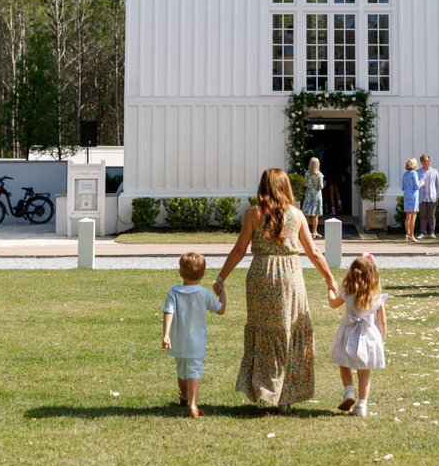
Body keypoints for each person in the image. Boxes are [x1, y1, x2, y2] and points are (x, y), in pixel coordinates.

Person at [212, 168, 337, 409]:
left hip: (261, 274)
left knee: (264, 331)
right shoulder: (297, 215)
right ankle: (285, 395)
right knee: (289, 330)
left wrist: (221, 277)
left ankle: (264, 390)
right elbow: (313, 252)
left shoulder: (253, 214)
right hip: (290, 275)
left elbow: (239, 250)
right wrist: (330, 279)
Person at [162, 251, 226, 418]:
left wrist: (166, 335)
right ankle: (193, 405)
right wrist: (222, 293)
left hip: (178, 341)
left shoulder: (174, 291)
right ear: (203, 274)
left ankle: (184, 396)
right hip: (196, 342)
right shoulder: (203, 293)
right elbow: (220, 309)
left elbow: (168, 312)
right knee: (194, 371)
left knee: (181, 371)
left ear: (180, 272)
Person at [328, 253, 387, 418]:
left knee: (343, 362)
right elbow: (382, 322)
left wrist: (330, 290)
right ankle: (362, 405)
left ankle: (348, 391)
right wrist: (381, 340)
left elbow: (333, 304)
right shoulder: (376, 297)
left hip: (348, 333)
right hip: (369, 337)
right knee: (364, 372)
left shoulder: (347, 292)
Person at [416, 154, 439, 240]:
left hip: (432, 197)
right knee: (423, 216)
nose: (426, 163)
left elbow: (438, 184)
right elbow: (416, 185)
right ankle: (423, 233)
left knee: (432, 216)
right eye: (424, 161)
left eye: (427, 161)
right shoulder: (417, 172)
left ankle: (432, 233)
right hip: (422, 197)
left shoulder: (435, 171)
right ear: (421, 162)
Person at [302, 157, 324, 239]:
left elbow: (305, 183)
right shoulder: (319, 175)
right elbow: (321, 186)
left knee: (307, 214)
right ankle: (314, 232)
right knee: (315, 215)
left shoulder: (307, 173)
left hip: (308, 193)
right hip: (316, 194)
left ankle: (307, 232)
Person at [401, 158, 420, 243]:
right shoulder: (414, 173)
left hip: (406, 196)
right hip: (413, 196)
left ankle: (407, 234)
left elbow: (403, 187)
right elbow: (417, 186)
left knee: (408, 216)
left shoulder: (405, 174)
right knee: (413, 216)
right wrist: (422, 183)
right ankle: (412, 235)